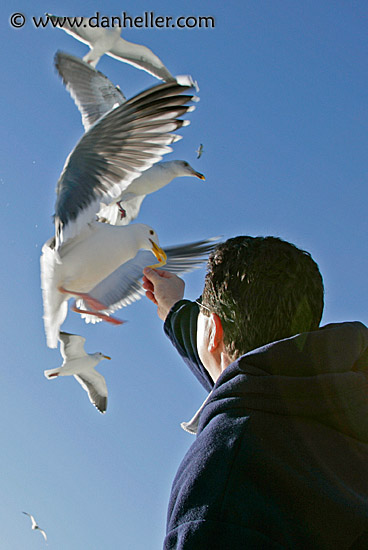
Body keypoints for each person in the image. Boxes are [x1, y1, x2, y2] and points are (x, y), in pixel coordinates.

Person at [142, 236, 368, 549]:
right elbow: (247, 373)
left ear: (215, 331)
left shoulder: (225, 473)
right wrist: (174, 309)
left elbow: (238, 379)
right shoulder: (338, 396)